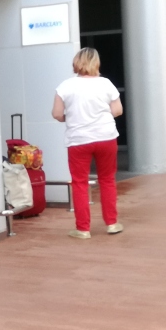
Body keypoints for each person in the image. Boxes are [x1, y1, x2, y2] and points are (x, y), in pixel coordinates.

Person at [52, 47, 124, 240]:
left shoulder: (65, 86)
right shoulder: (106, 83)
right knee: (107, 180)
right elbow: (117, 111)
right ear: (96, 63)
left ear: (76, 62)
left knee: (80, 183)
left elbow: (57, 113)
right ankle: (112, 223)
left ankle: (83, 229)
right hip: (106, 137)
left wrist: (70, 117)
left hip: (78, 140)